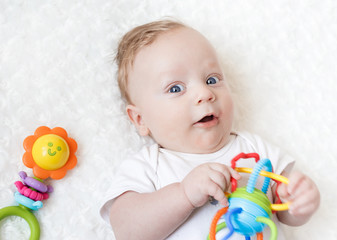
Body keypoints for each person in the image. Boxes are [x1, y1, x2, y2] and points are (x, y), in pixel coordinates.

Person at [100, 20, 320, 240]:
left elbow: (285, 211)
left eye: (211, 79)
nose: (204, 93)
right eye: (175, 88)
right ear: (140, 119)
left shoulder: (254, 148)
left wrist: (300, 202)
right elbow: (127, 230)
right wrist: (184, 194)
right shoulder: (149, 166)